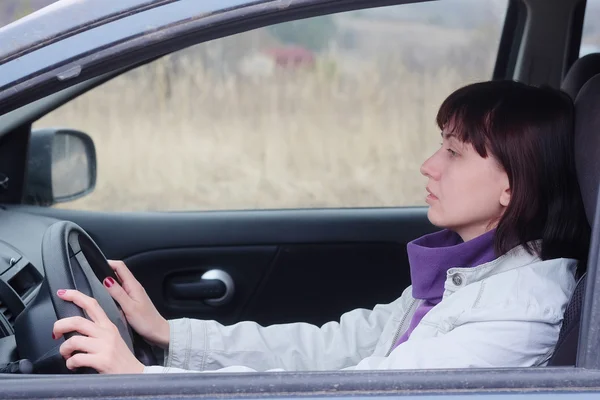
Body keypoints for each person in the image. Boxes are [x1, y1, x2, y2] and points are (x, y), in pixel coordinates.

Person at [51, 80, 590, 374]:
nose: (429, 165)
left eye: (452, 151)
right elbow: (330, 351)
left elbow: (348, 395)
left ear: (511, 188)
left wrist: (144, 382)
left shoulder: (517, 309)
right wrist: (172, 335)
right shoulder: (470, 277)